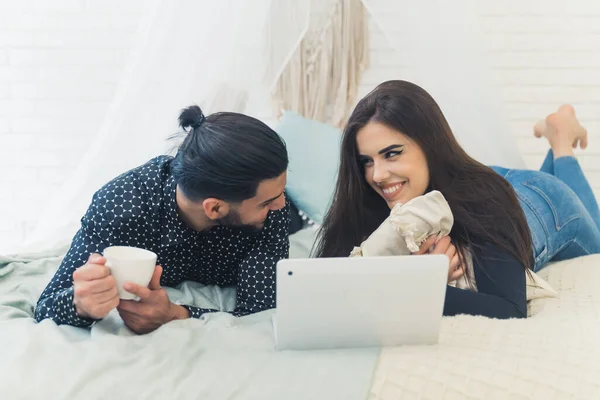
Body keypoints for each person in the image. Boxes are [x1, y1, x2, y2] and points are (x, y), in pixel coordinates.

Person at [315, 80, 600, 319]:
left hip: (541, 201)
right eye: (366, 161)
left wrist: (420, 283)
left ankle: (561, 141)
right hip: (477, 181)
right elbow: (332, 285)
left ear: (429, 146)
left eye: (392, 153)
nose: (376, 175)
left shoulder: (485, 203)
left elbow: (509, 309)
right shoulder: (367, 197)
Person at [35, 105, 290, 334]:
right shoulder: (120, 207)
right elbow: (46, 308)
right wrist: (81, 304)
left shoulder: (274, 211)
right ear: (214, 208)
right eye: (267, 202)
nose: (280, 204)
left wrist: (176, 314)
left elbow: (262, 311)